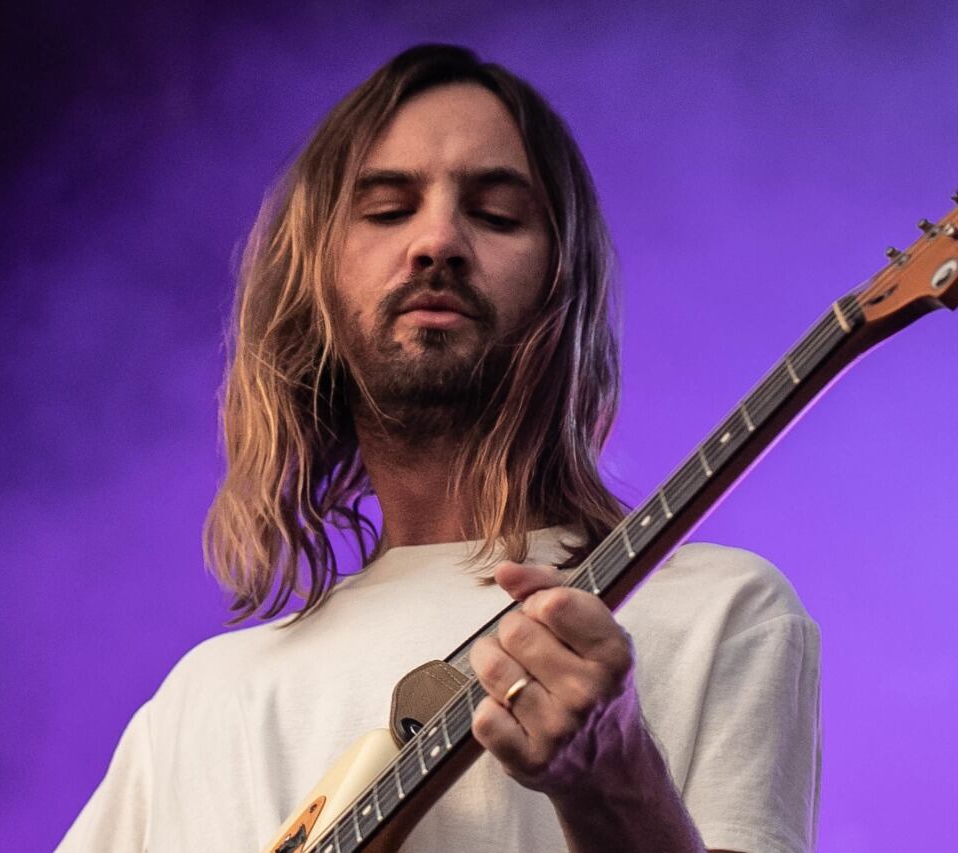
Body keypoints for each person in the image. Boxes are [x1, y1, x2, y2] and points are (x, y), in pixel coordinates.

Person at [59, 44, 820, 852]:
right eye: (388, 209)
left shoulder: (717, 612)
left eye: (497, 215)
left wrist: (613, 781)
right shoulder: (201, 702)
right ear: (314, 281)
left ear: (564, 288)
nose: (438, 240)